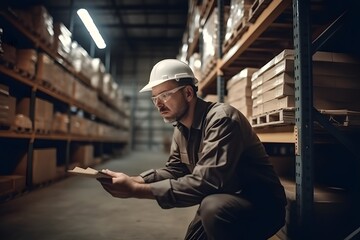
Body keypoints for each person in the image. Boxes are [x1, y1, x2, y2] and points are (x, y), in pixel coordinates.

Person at [97, 59, 287, 240]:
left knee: (212, 208)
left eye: (165, 95)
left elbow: (208, 182)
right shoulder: (180, 128)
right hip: (226, 198)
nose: (158, 104)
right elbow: (175, 170)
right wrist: (134, 179)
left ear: (188, 93)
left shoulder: (222, 119)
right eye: (155, 98)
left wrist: (136, 190)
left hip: (261, 206)